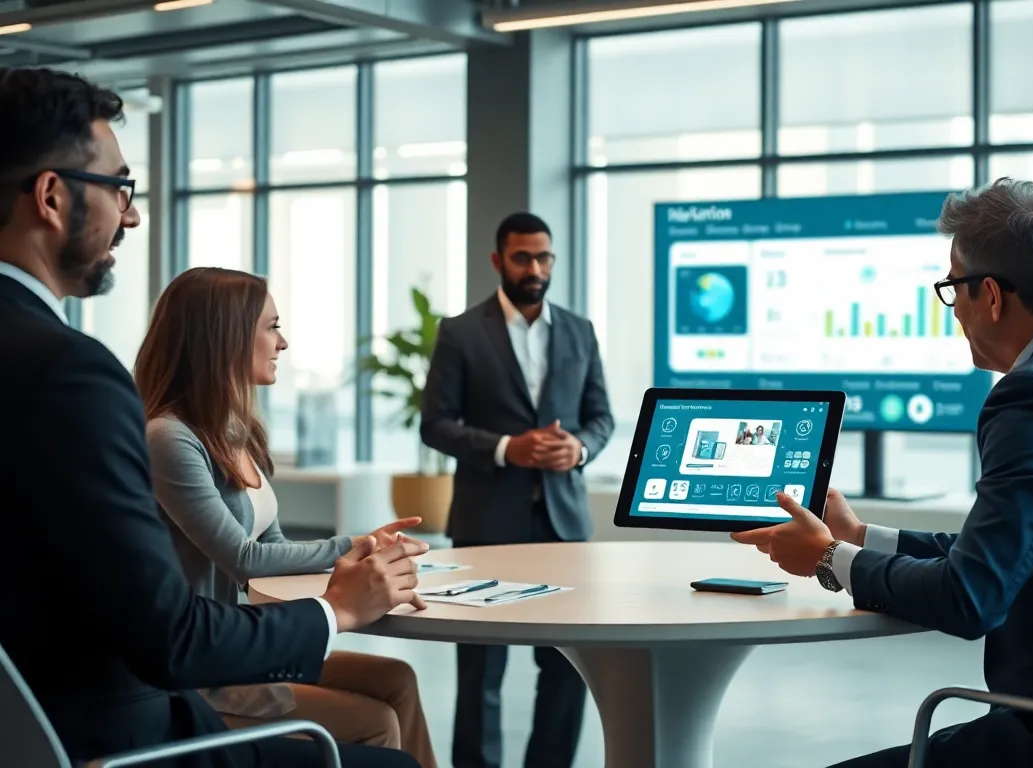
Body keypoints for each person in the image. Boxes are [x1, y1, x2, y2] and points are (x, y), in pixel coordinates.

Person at [0, 66, 426, 767]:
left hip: (41, 719)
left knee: (390, 700)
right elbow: (171, 640)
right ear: (51, 197)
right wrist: (338, 609)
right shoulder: (68, 375)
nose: (131, 215)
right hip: (115, 737)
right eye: (120, 188)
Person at [733, 178, 1033, 768]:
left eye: (951, 290)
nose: (955, 313)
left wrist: (825, 558)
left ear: (989, 295)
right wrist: (860, 539)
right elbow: (1008, 552)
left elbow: (970, 598)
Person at [135, 266, 440, 768]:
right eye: (271, 326)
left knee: (398, 680)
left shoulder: (232, 430)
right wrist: (351, 544)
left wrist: (366, 555)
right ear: (227, 339)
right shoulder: (170, 438)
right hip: (207, 663)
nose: (284, 341)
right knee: (376, 721)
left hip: (241, 639)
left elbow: (273, 545)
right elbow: (245, 559)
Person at [421, 211, 614, 768]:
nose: (535, 268)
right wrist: (508, 447)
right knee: (481, 670)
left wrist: (578, 448)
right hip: (486, 523)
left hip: (564, 525)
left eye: (544, 256)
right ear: (497, 260)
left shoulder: (580, 330)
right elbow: (435, 423)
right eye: (522, 257)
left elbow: (600, 417)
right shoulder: (460, 332)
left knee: (570, 667)